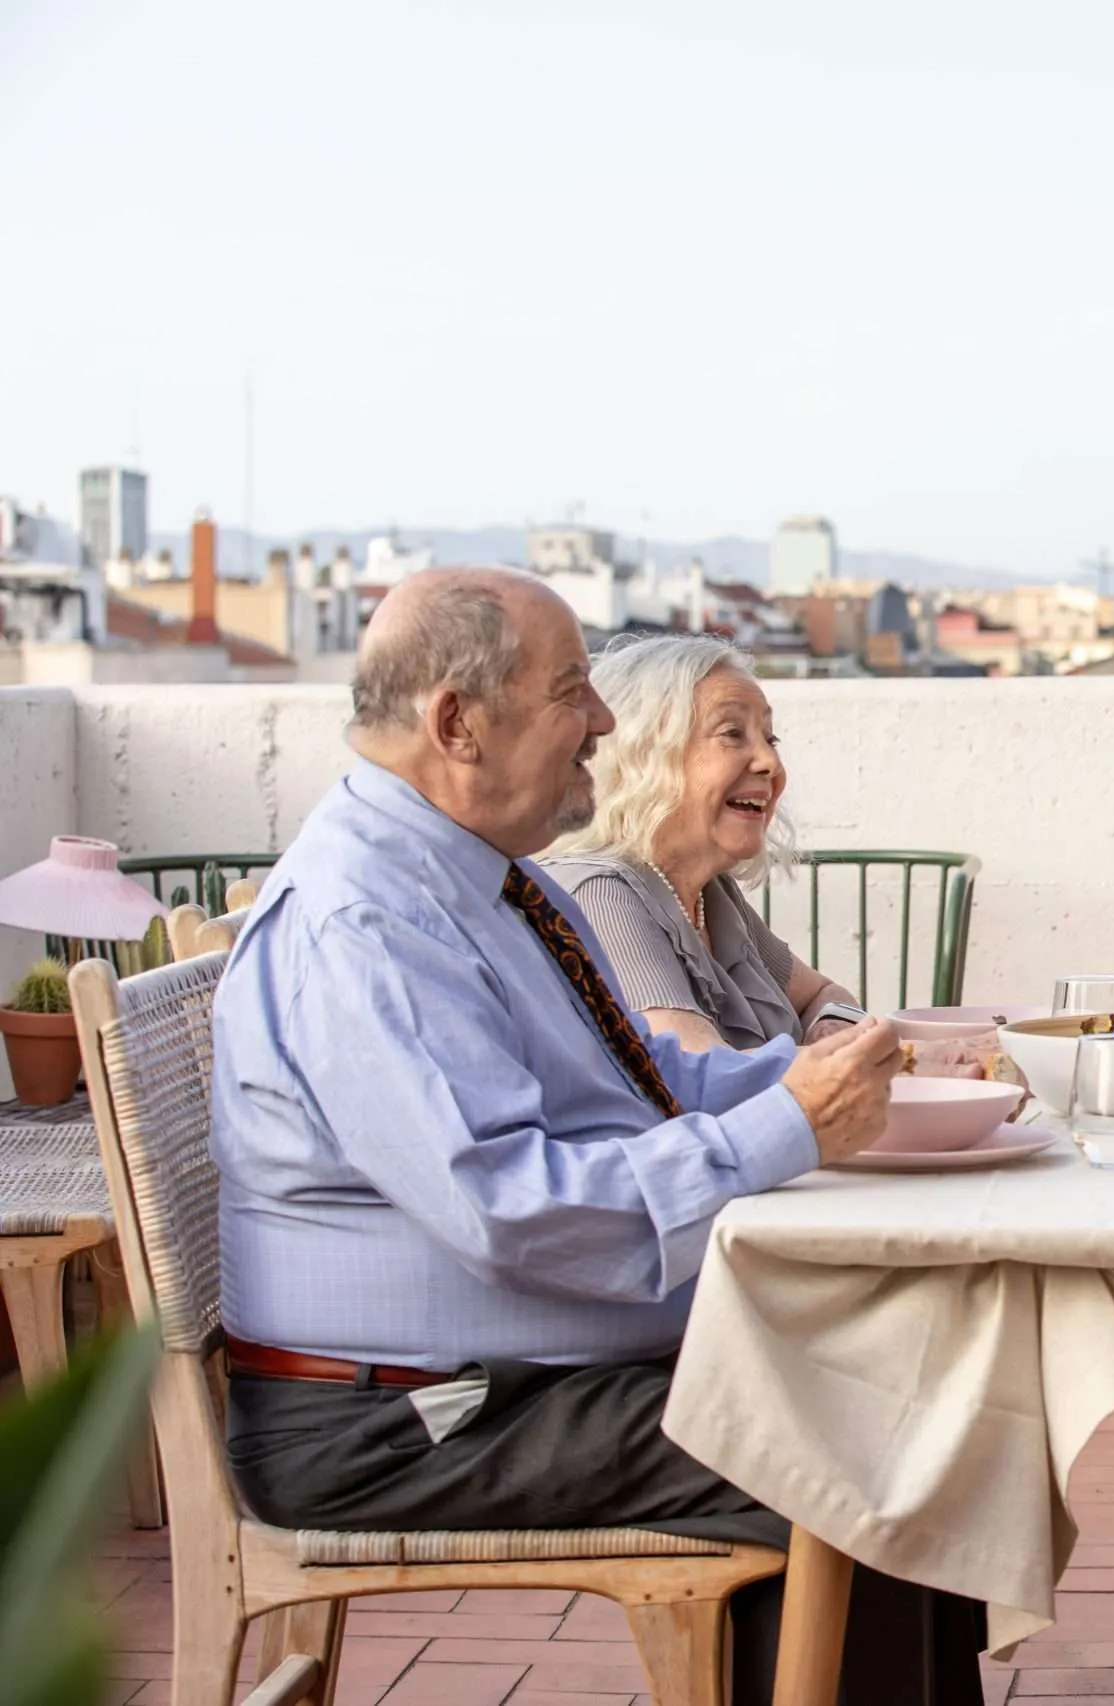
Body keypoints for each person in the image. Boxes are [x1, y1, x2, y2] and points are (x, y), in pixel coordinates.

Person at [210, 568, 985, 1706]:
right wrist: (786, 1127)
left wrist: (805, 1083)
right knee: (841, 1440)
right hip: (400, 1415)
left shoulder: (481, 884)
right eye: (574, 689)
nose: (606, 721)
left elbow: (636, 1071)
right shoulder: (367, 917)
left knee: (886, 1393)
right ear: (457, 721)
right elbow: (511, 1205)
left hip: (491, 1376)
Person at [542, 633, 861, 1052]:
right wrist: (871, 1059)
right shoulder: (599, 895)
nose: (770, 762)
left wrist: (831, 1032)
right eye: (732, 733)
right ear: (644, 754)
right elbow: (706, 1079)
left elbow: (826, 994)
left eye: (770, 738)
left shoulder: (710, 894)